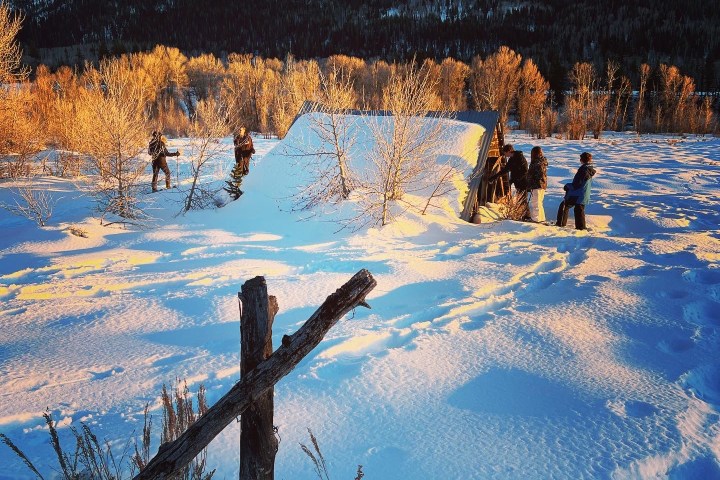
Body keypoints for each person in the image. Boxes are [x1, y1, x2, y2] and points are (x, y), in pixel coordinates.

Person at [556, 151, 596, 230]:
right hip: (583, 193)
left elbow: (577, 184)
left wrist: (567, 186)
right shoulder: (589, 169)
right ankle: (581, 227)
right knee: (579, 209)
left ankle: (561, 224)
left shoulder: (584, 170)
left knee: (565, 205)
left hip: (577, 194)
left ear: (582, 160)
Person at [489, 143, 529, 218]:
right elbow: (505, 170)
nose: (505, 155)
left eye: (505, 153)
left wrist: (516, 179)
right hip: (517, 183)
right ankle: (523, 216)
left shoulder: (520, 158)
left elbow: (525, 171)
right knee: (520, 199)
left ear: (509, 151)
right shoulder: (511, 159)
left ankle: (527, 217)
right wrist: (494, 177)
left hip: (523, 182)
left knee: (523, 200)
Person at [527, 146, 548, 222]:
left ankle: (536, 219)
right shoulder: (541, 161)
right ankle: (541, 218)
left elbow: (538, 174)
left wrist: (531, 180)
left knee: (535, 202)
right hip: (541, 184)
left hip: (537, 184)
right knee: (539, 202)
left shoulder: (536, 163)